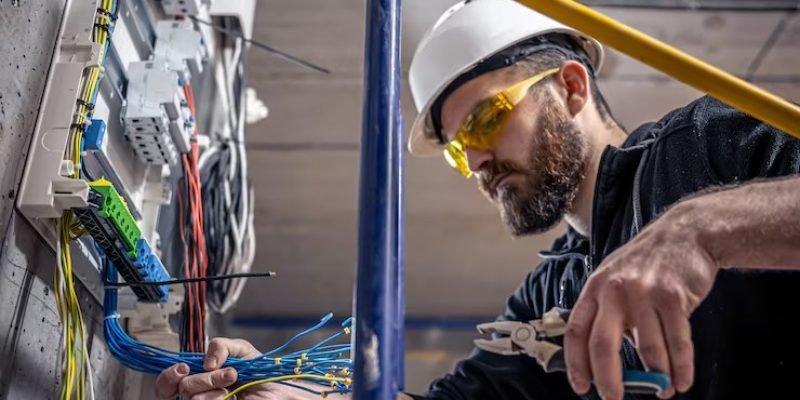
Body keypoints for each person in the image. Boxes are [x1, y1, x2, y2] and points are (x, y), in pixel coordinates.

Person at [156, 0, 800, 398]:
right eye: (461, 148)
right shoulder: (548, 297)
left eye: (487, 120)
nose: (478, 163)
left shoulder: (705, 149)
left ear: (571, 87)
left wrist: (700, 228)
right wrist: (287, 389)